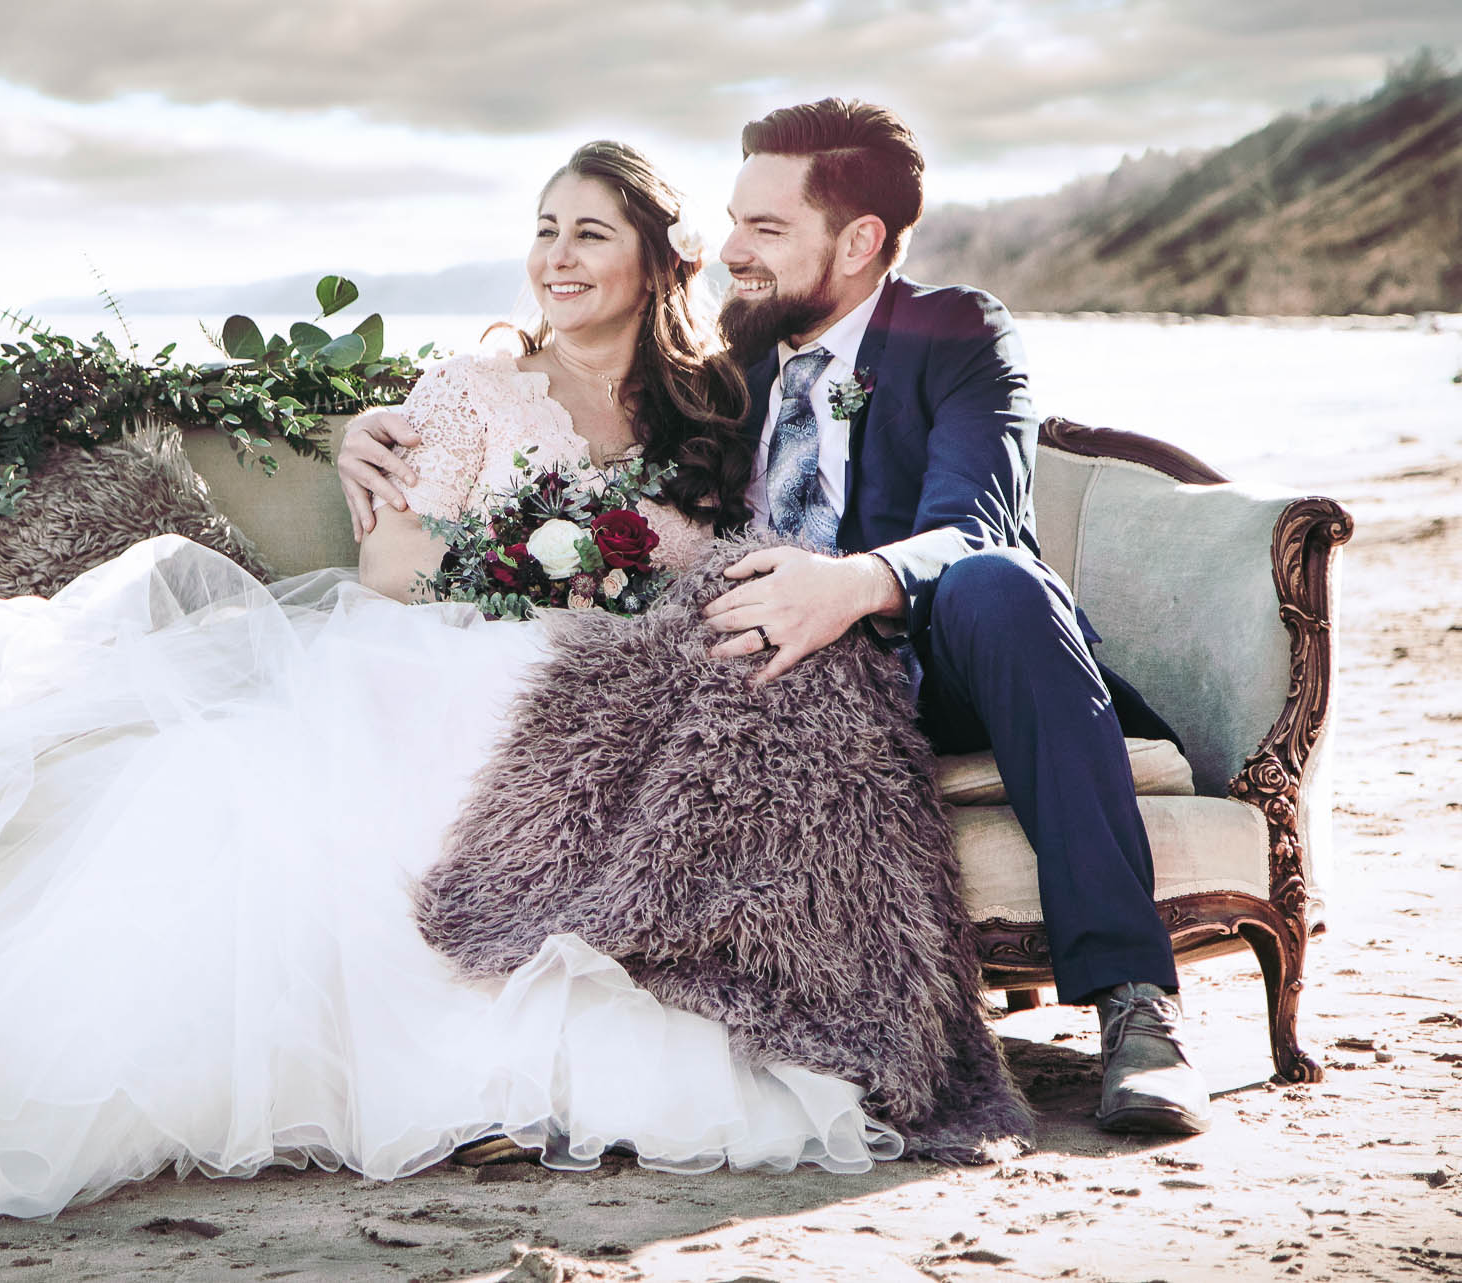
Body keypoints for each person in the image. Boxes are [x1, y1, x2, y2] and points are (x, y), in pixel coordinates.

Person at [0, 141, 906, 1229]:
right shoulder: (469, 390)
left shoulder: (715, 402)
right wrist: (537, 564)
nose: (556, 258)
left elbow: (757, 541)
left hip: (626, 666)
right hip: (454, 636)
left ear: (659, 260)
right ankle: (456, 1077)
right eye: (543, 231)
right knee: (452, 710)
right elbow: (396, 570)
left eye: (589, 233)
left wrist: (633, 589)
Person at [340, 100, 1211, 1138]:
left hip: (938, 658)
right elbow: (580, 433)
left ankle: (1136, 1009)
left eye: (765, 228)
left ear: (858, 240)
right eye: (732, 222)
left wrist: (850, 587)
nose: (732, 253)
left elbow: (974, 525)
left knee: (1001, 583)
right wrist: (375, 428)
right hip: (767, 680)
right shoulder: (720, 371)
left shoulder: (954, 331)